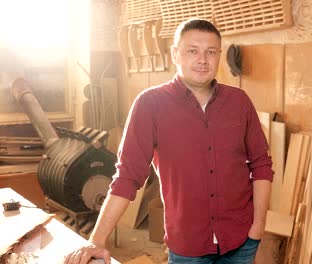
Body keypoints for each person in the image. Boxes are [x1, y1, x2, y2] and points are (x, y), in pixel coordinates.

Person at [64, 18, 273, 264]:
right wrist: (96, 240)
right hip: (188, 246)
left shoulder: (239, 102)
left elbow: (261, 165)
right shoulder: (150, 104)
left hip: (241, 240)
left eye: (211, 52)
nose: (202, 59)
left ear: (219, 55)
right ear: (175, 54)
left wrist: (258, 227)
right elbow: (127, 177)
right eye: (192, 51)